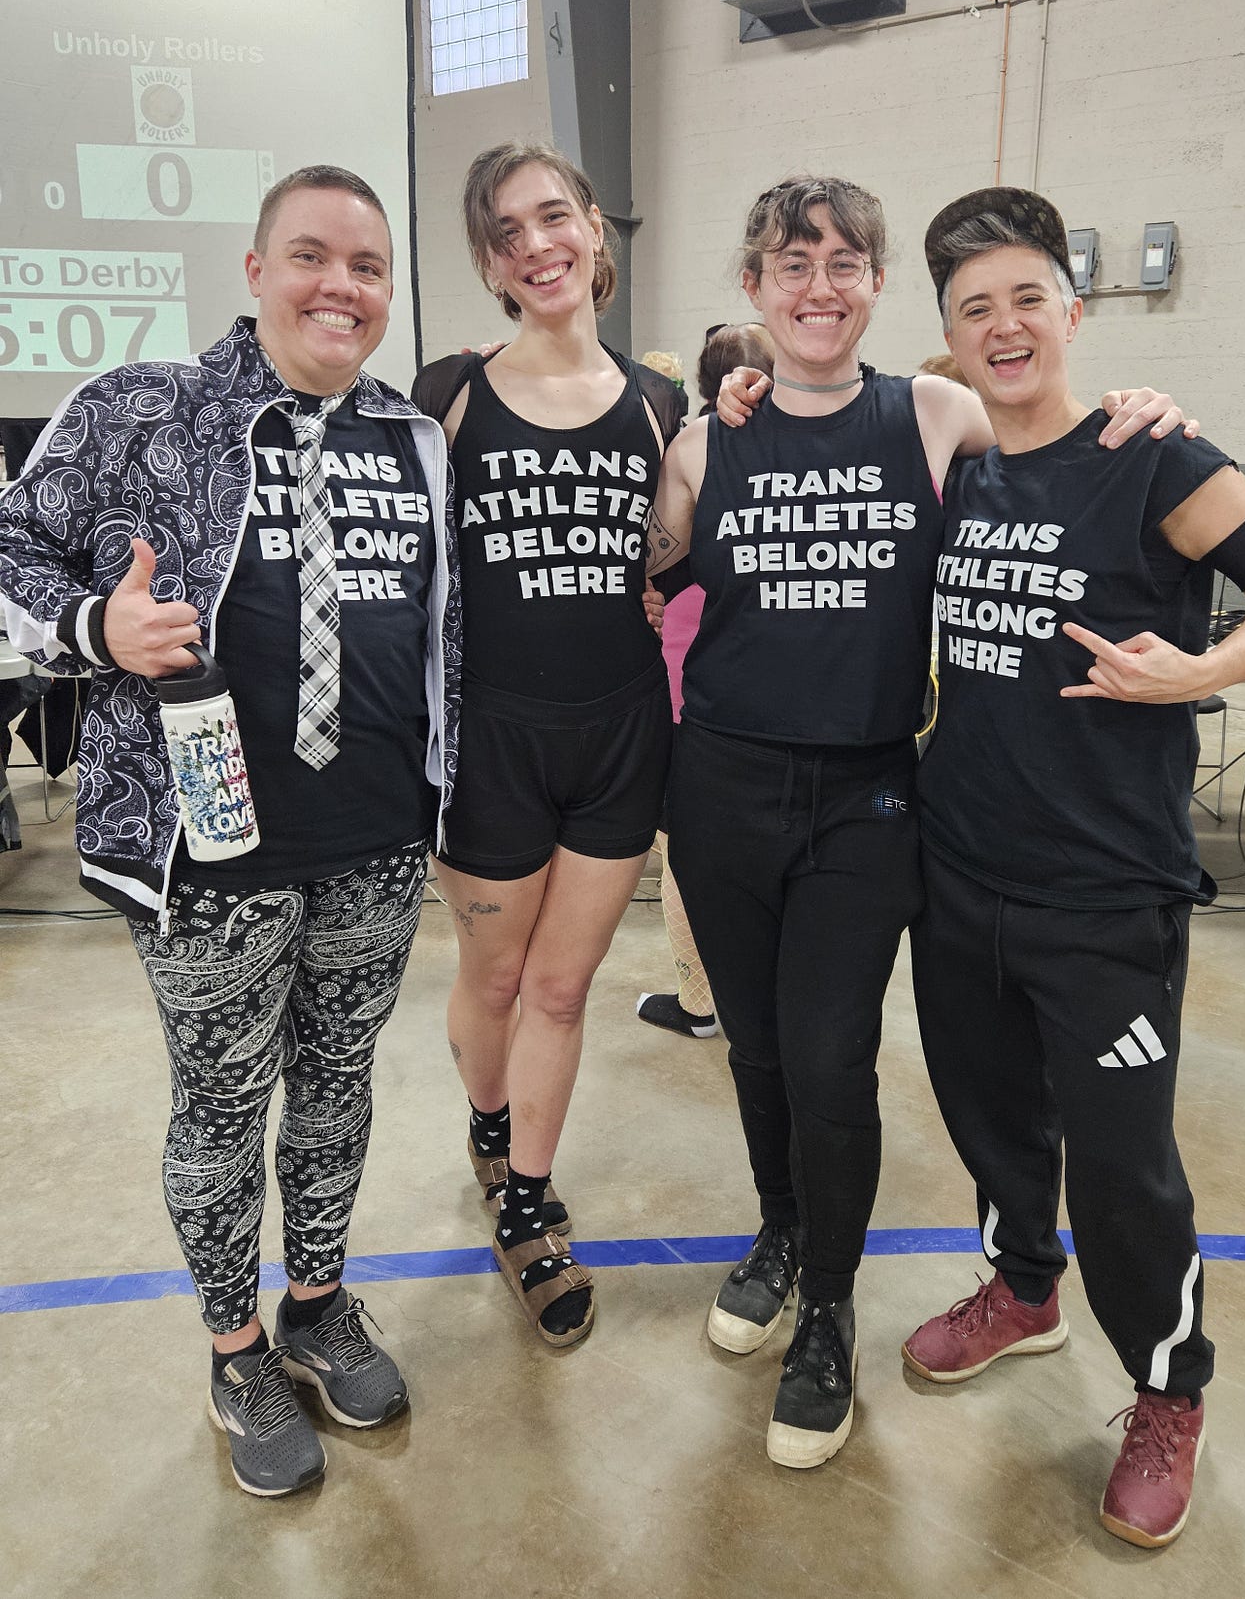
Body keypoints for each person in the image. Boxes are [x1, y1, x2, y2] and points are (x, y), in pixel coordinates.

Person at [652, 174, 1189, 1470]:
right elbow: (646, 568)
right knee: (761, 1052)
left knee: (834, 1056)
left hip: (870, 792)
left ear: (879, 284)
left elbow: (1062, 452)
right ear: (754, 286)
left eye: (845, 262)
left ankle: (828, 1306)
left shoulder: (933, 412)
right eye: (793, 263)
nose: (820, 286)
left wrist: (1146, 417)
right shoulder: (707, 439)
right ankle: (779, 1235)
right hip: (720, 786)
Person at [0, 165, 460, 1497]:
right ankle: (235, 1343)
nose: (341, 285)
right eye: (311, 256)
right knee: (220, 1109)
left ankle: (317, 1300)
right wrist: (99, 632)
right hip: (207, 859)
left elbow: (443, 635)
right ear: (255, 270)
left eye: (367, 266)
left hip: (374, 839)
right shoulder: (142, 409)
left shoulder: (410, 436)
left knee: (337, 1089)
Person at [903, 187, 1245, 1547]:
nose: (1004, 325)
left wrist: (1197, 675)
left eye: (1027, 296)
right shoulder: (966, 464)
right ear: (953, 336)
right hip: (959, 866)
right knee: (988, 1120)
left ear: (1072, 310)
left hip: (1103, 890)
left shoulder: (1155, 454)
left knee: (1126, 1169)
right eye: (976, 307)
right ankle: (1023, 1287)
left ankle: (1167, 1388)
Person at [411, 142, 687, 1348]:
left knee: (566, 986)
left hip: (624, 730)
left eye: (553, 216)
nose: (538, 243)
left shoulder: (660, 400)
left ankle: (527, 1194)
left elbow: (672, 553)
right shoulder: (448, 394)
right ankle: (488, 1120)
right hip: (494, 739)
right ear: (489, 262)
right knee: (497, 976)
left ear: (592, 229)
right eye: (508, 230)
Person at [637, 325, 775, 1041]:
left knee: (685, 854)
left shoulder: (687, 453)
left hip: (693, 692)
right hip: (752, 693)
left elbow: (651, 562)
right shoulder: (790, 448)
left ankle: (699, 1001)